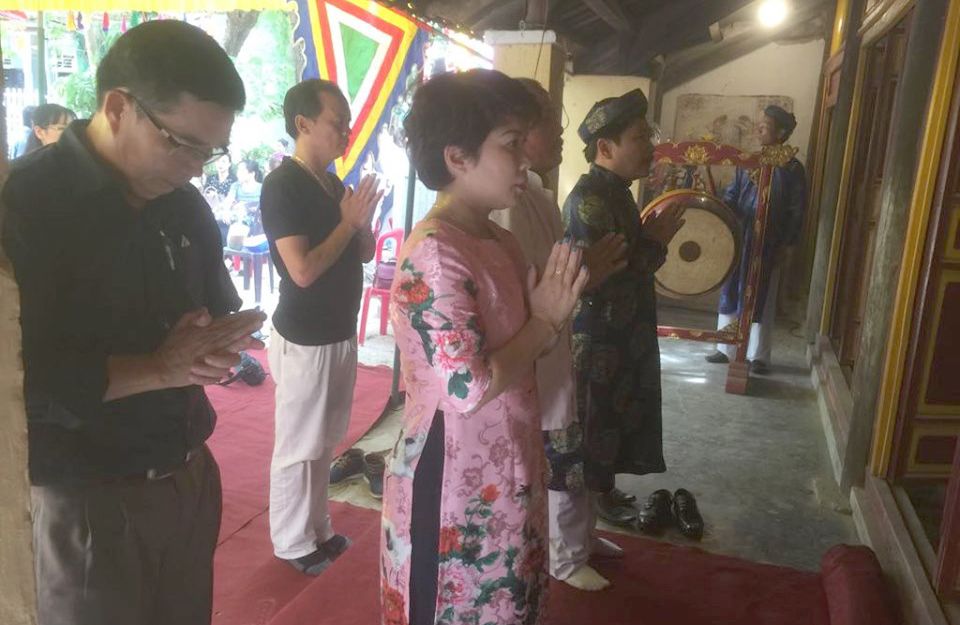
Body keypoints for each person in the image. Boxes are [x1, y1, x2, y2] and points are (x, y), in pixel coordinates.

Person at [1, 20, 266, 625]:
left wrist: (215, 347)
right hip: (87, 496)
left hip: (189, 471)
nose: (196, 167)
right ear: (118, 108)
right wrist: (160, 368)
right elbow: (23, 382)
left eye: (211, 151)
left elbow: (208, 311)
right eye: (183, 144)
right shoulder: (26, 206)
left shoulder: (182, 201)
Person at [381, 69, 588, 625]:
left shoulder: (501, 240)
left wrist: (546, 322)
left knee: (510, 599)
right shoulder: (436, 253)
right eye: (511, 144)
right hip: (453, 470)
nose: (525, 161)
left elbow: (524, 349)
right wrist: (545, 320)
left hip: (508, 456)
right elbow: (466, 387)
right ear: (457, 157)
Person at [489, 79, 629, 592]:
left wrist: (581, 274)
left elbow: (554, 278)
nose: (562, 132)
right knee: (556, 455)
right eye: (550, 121)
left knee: (572, 446)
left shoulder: (539, 197)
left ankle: (577, 541)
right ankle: (563, 555)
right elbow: (523, 295)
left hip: (555, 344)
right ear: (518, 133)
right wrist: (581, 278)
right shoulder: (505, 206)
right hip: (532, 352)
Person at [562, 89, 701, 536]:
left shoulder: (616, 193)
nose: (650, 147)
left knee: (615, 414)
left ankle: (600, 496)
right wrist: (654, 243)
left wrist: (649, 243)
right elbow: (608, 278)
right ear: (605, 147)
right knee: (595, 421)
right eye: (640, 138)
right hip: (598, 336)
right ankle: (581, 520)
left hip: (622, 331)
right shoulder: (590, 201)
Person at [261, 79, 381, 575]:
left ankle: (318, 529)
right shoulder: (282, 185)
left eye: (348, 123)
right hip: (305, 335)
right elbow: (303, 272)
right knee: (298, 445)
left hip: (339, 331)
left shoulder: (333, 184)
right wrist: (347, 224)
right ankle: (292, 542)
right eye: (338, 122)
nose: (346, 132)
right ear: (302, 123)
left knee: (324, 441)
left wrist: (361, 222)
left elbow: (365, 253)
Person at [705, 106, 807, 374]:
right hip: (741, 235)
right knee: (731, 289)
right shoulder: (747, 161)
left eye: (765, 126)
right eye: (759, 124)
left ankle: (758, 356)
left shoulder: (792, 168)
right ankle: (724, 348)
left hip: (770, 240)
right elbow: (732, 195)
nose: (758, 129)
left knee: (763, 296)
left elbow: (797, 209)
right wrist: (718, 207)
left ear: (781, 133)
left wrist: (788, 244)